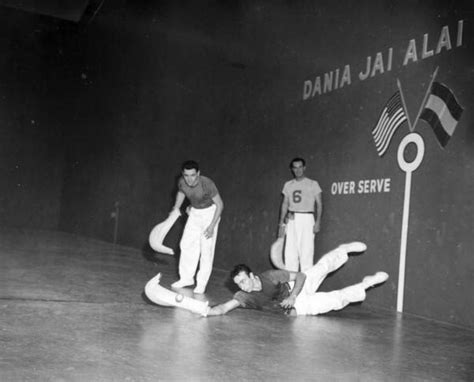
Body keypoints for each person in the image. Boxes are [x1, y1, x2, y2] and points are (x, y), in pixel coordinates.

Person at [204, 242, 388, 316]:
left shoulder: (271, 276)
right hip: (298, 307)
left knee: (320, 268)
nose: (243, 287)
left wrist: (292, 295)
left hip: (296, 287)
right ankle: (367, 283)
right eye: (239, 284)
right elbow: (223, 308)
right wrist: (205, 311)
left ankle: (343, 250)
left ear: (252, 276)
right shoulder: (243, 296)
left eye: (244, 280)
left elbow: (301, 275)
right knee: (335, 300)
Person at [170, 160, 224, 294]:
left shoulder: (207, 183)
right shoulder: (182, 181)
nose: (189, 179)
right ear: (183, 174)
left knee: (206, 250)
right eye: (186, 175)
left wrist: (212, 226)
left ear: (198, 173)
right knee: (186, 244)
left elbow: (220, 205)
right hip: (194, 213)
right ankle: (187, 279)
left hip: (210, 214)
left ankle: (201, 284)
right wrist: (176, 207)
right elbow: (182, 192)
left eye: (193, 175)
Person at [278, 157, 322, 272]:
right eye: (295, 168)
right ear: (292, 169)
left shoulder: (313, 184)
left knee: (306, 252)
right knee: (290, 252)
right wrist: (281, 224)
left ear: (304, 168)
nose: (298, 170)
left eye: (300, 167)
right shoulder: (288, 185)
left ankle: (305, 285)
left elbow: (319, 204)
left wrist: (317, 222)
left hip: (307, 219)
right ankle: (291, 284)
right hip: (291, 219)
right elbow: (285, 204)